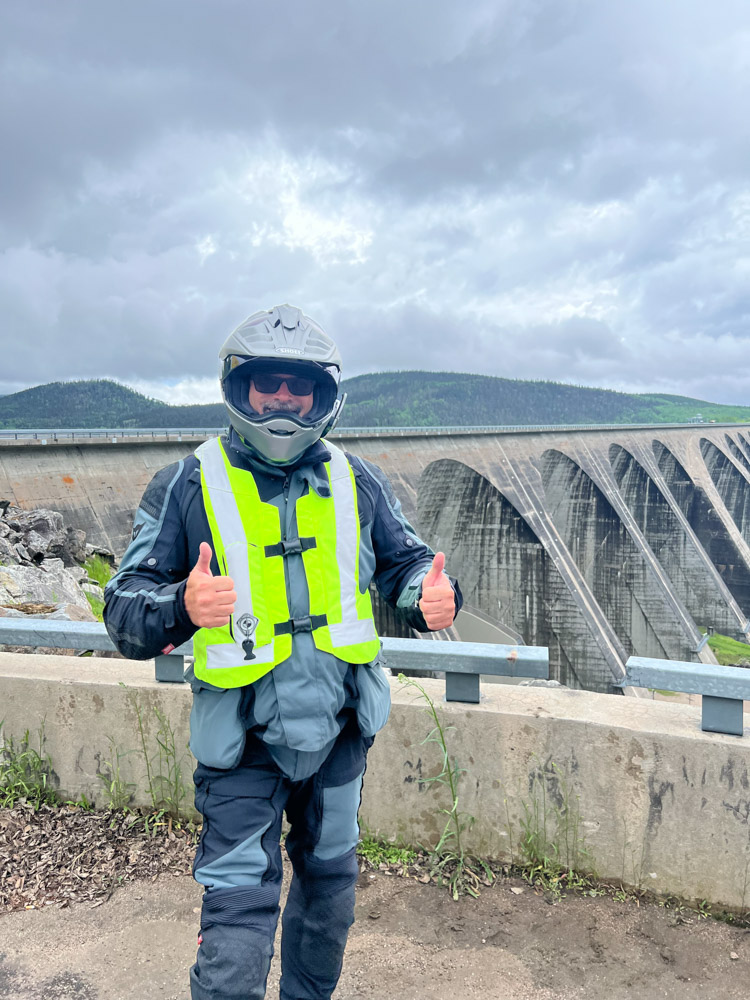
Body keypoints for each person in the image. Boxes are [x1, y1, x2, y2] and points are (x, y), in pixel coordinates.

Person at [103, 304, 461, 1000]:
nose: (284, 401)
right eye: (269, 383)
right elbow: (122, 608)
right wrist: (182, 605)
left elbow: (407, 565)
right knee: (237, 915)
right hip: (242, 748)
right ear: (239, 389)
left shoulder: (356, 479)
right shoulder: (188, 482)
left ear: (324, 396)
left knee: (330, 898)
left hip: (338, 736)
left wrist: (428, 596)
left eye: (300, 387)